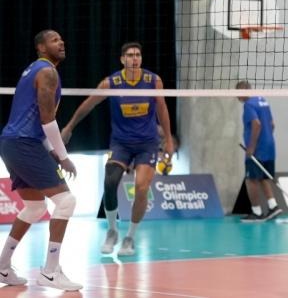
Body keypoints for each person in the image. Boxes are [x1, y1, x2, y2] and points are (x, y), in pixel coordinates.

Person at [61, 41, 174, 256]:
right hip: (120, 143)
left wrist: (168, 139)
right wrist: (69, 127)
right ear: (122, 59)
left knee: (141, 188)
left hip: (147, 144)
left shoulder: (153, 81)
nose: (134, 59)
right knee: (110, 181)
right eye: (130, 55)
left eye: (138, 55)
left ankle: (130, 237)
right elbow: (88, 104)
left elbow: (162, 109)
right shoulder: (111, 83)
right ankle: (112, 231)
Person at [0, 30, 82, 290]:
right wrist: (63, 156)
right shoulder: (47, 72)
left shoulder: (34, 70)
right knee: (66, 201)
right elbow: (47, 120)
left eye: (62, 38)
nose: (61, 42)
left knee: (34, 207)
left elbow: (38, 121)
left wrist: (49, 152)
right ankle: (49, 271)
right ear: (41, 47)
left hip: (13, 143)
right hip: (24, 144)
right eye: (55, 39)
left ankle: (2, 267)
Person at [235, 81, 282, 222]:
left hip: (257, 150)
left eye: (237, 93)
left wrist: (251, 147)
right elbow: (272, 124)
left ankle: (256, 212)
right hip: (269, 147)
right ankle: (273, 206)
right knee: (263, 177)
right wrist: (266, 140)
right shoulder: (262, 100)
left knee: (251, 180)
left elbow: (257, 124)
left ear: (244, 91)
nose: (236, 96)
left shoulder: (249, 104)